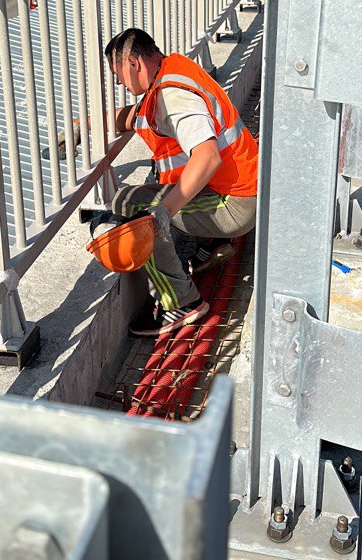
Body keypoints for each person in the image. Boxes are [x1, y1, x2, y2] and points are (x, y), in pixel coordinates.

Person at [100, 27, 258, 338]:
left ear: (133, 63)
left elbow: (207, 157)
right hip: (243, 188)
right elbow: (134, 117)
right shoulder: (173, 72)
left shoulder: (173, 97)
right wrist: (85, 125)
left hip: (234, 205)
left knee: (130, 205)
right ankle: (213, 242)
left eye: (118, 74)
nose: (119, 82)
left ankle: (181, 302)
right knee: (162, 193)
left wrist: (164, 211)